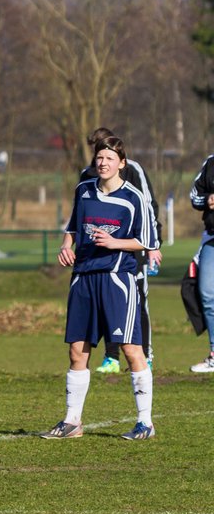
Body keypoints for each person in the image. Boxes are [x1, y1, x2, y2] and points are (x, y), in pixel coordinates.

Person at [42, 135, 159, 441]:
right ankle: (72, 422)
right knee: (77, 350)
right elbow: (72, 228)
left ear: (122, 163)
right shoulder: (83, 190)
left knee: (131, 350)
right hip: (83, 277)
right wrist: (66, 247)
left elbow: (146, 241)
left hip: (117, 279)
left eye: (110, 158)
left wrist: (114, 242)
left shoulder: (133, 197)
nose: (103, 163)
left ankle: (145, 422)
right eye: (100, 158)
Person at [73, 127, 160, 374]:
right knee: (103, 307)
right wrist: (70, 245)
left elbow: (149, 207)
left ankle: (145, 354)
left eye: (107, 154)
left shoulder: (134, 171)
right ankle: (111, 357)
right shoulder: (87, 176)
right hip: (94, 261)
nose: (101, 160)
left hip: (129, 252)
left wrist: (154, 244)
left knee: (137, 301)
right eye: (97, 154)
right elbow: (79, 216)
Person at [189, 150, 214, 373]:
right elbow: (194, 196)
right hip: (212, 238)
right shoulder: (211, 163)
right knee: (207, 295)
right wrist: (208, 199)